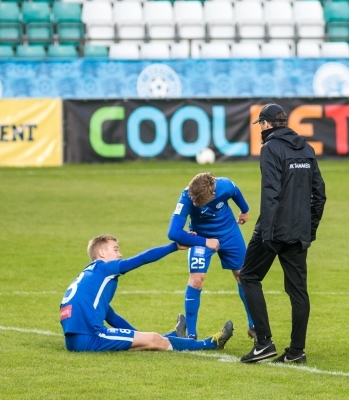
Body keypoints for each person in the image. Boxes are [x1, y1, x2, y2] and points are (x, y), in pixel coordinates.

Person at [239, 103, 326, 364]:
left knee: (249, 277)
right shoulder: (307, 148)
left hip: (274, 230)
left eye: (260, 125)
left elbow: (271, 193)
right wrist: (309, 229)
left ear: (265, 124)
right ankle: (297, 351)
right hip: (298, 232)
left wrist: (267, 231)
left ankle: (263, 342)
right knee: (298, 292)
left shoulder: (271, 149)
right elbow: (319, 194)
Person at [59, 234, 234, 352]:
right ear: (102, 253)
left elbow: (111, 317)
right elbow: (141, 259)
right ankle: (209, 343)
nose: (120, 254)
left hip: (75, 340)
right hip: (91, 336)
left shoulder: (89, 275)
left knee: (149, 340)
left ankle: (173, 336)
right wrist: (174, 246)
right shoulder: (104, 268)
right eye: (115, 249)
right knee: (154, 340)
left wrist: (138, 336)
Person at [167, 172, 256, 341]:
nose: (194, 203)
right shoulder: (187, 196)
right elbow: (173, 232)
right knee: (197, 279)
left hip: (230, 234)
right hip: (202, 238)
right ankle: (191, 334)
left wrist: (244, 210)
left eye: (197, 201)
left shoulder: (225, 186)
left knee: (243, 276)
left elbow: (235, 191)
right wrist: (204, 241)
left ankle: (254, 326)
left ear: (213, 194)